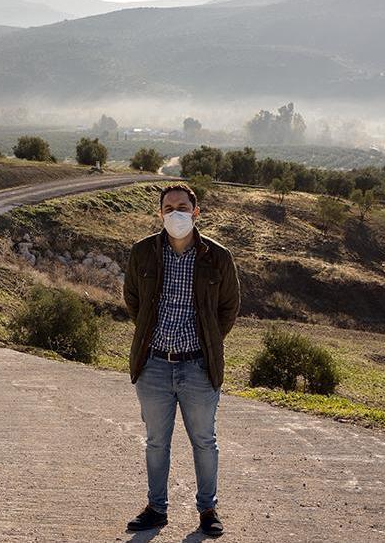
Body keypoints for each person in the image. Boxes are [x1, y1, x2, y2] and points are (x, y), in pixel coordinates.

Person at [122, 183, 240, 537]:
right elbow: (132, 300)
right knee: (157, 441)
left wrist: (207, 343)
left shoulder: (217, 257)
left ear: (196, 212)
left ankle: (208, 510)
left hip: (198, 368)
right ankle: (157, 509)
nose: (176, 213)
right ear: (160, 213)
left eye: (183, 207)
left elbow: (228, 308)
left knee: (204, 440)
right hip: (154, 365)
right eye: (169, 207)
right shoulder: (142, 253)